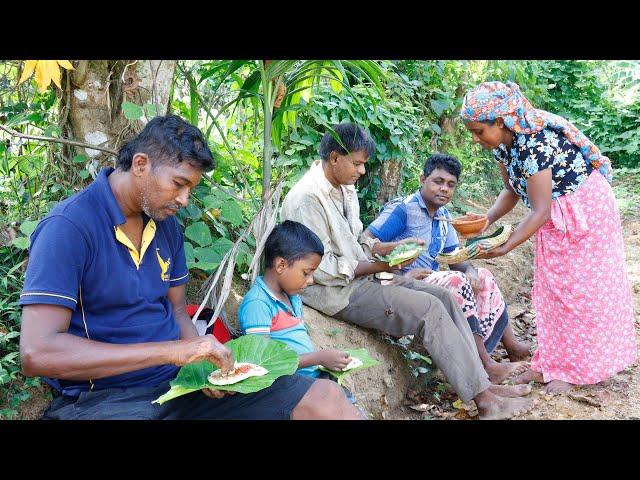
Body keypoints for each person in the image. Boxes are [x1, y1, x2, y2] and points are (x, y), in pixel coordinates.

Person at [18, 114, 360, 420]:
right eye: (178, 184)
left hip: (178, 386)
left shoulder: (165, 224)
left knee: (324, 398)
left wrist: (202, 368)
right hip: (105, 399)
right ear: (140, 164)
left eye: (191, 189)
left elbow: (178, 311)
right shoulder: (69, 228)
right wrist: (173, 352)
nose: (184, 199)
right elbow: (38, 353)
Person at [280, 122, 534, 419]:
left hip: (364, 276)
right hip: (336, 292)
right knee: (428, 308)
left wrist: (386, 250)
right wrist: (383, 265)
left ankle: (484, 383)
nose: (362, 171)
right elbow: (321, 270)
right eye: (358, 163)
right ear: (335, 157)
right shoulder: (307, 199)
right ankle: (485, 402)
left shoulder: (344, 188)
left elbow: (359, 240)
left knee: (444, 298)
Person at [460, 81, 637, 394]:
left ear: (499, 122)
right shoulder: (503, 143)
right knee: (553, 291)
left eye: (478, 131)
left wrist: (506, 245)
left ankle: (577, 369)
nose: (475, 139)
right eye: (472, 132)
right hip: (557, 212)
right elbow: (511, 190)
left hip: (583, 209)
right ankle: (552, 364)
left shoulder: (534, 141)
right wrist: (486, 219)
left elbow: (539, 210)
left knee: (579, 293)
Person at [364, 153, 531, 382]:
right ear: (423, 179)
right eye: (438, 182)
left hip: (428, 281)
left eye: (450, 185)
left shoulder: (443, 216)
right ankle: (485, 364)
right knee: (457, 281)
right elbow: (367, 242)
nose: (444, 189)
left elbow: (454, 257)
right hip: (399, 284)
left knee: (482, 275)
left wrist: (470, 271)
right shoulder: (403, 210)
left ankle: (511, 347)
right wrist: (399, 272)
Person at [238, 220, 362, 411]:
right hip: (286, 387)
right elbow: (260, 365)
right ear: (281, 265)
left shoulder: (293, 296)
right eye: (306, 272)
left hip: (310, 378)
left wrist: (323, 362)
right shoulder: (258, 304)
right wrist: (318, 358)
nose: (310, 280)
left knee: (350, 407)